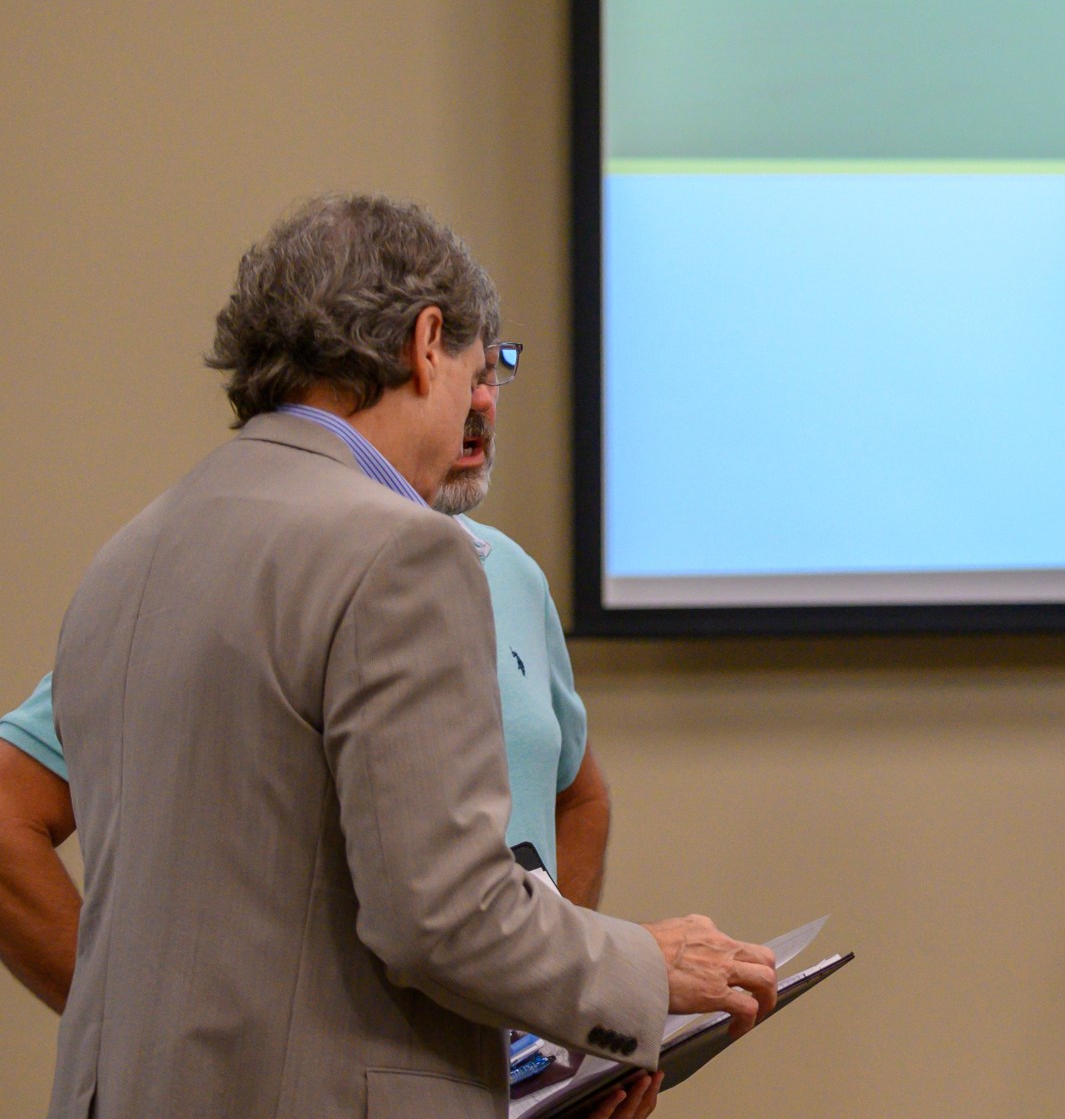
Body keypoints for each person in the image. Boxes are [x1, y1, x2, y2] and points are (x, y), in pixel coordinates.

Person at [42, 195, 778, 1119]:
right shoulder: (403, 551)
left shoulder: (128, 556)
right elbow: (442, 916)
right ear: (426, 343)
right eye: (481, 364)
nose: (482, 398)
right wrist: (646, 966)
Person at [0, 332, 614, 1010]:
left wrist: (559, 1018)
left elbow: (578, 798)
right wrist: (118, 1025)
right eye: (459, 370)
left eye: (491, 369)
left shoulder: (513, 574)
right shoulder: (241, 566)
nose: (481, 403)